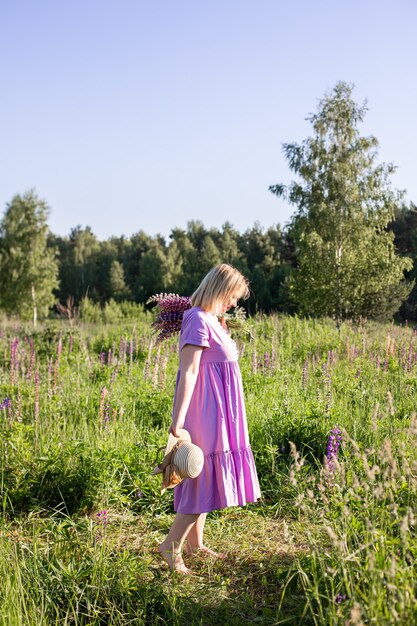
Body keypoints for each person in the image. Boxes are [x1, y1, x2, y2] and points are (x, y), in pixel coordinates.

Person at [157, 264, 261, 574]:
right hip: (206, 411)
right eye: (232, 297)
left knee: (206, 476)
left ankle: (195, 545)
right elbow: (189, 370)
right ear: (219, 290)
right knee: (200, 477)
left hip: (221, 412)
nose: (233, 304)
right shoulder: (197, 319)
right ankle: (170, 546)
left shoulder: (212, 321)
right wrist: (178, 422)